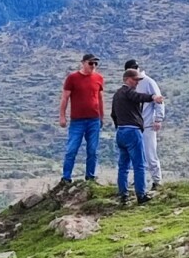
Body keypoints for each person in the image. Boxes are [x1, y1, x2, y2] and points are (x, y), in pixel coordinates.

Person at [110, 69, 164, 206]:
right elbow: (139, 97)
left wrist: (119, 125)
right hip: (133, 131)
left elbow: (113, 114)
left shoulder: (117, 94)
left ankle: (123, 195)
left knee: (123, 165)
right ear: (128, 79)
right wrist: (153, 97)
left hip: (121, 131)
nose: (137, 83)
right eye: (135, 80)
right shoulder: (128, 92)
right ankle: (141, 194)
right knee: (139, 164)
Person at [58, 53, 104, 183]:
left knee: (92, 150)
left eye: (95, 63)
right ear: (83, 63)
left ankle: (90, 176)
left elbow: (100, 98)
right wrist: (62, 116)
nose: (93, 66)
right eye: (91, 63)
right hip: (77, 120)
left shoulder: (99, 78)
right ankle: (66, 177)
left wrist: (102, 116)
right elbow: (65, 97)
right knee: (71, 149)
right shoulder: (72, 78)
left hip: (93, 119)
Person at [124, 59, 165, 190]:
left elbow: (158, 100)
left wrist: (158, 119)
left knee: (150, 154)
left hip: (147, 124)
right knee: (137, 155)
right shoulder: (130, 87)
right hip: (135, 125)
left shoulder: (148, 82)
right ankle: (139, 181)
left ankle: (157, 181)